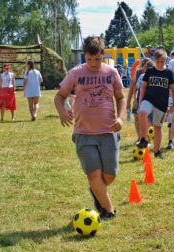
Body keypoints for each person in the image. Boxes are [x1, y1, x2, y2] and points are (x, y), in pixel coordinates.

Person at [54, 36, 126, 220]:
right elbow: (60, 95)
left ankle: (97, 190)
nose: (93, 63)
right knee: (94, 175)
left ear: (103, 54)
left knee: (109, 176)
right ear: (84, 56)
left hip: (108, 132)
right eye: (89, 59)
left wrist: (120, 118)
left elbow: (121, 97)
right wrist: (62, 111)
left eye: (97, 59)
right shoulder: (76, 73)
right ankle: (109, 211)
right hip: (83, 134)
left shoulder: (112, 73)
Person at [137, 49, 174, 159]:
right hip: (148, 99)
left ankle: (157, 151)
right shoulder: (150, 71)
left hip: (162, 103)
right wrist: (141, 100)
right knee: (143, 112)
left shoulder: (169, 73)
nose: (160, 64)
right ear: (154, 60)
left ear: (166, 61)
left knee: (157, 127)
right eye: (158, 61)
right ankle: (144, 139)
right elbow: (144, 87)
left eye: (162, 61)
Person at [127, 57, 151, 143]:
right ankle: (140, 137)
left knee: (147, 120)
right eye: (143, 67)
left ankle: (146, 138)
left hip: (148, 100)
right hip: (139, 99)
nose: (143, 69)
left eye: (145, 68)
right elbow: (133, 88)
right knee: (137, 118)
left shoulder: (152, 73)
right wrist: (130, 101)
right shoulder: (138, 74)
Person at [133, 60, 155, 144]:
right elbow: (135, 88)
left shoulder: (155, 77)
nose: (143, 70)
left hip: (153, 103)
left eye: (145, 68)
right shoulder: (142, 76)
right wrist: (135, 100)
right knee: (145, 121)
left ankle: (148, 140)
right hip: (143, 102)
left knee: (151, 122)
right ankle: (145, 140)